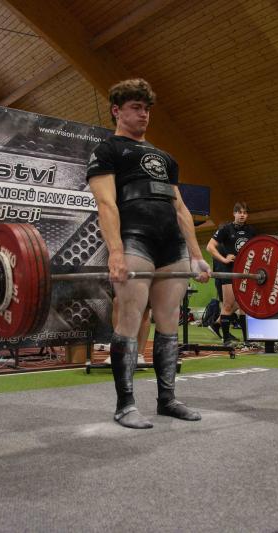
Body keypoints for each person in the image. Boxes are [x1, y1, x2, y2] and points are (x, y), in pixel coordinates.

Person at [87, 78, 210, 429]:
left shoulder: (166, 158)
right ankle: (125, 405)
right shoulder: (107, 151)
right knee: (129, 319)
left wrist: (197, 254)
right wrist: (115, 252)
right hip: (135, 240)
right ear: (117, 111)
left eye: (147, 109)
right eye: (136, 108)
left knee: (168, 322)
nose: (144, 114)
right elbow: (106, 204)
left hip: (171, 244)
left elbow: (181, 209)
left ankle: (167, 400)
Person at [206, 202, 257, 346]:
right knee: (228, 306)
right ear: (234, 213)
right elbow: (210, 247)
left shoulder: (251, 231)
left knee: (244, 306)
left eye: (245, 213)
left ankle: (248, 340)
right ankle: (226, 339)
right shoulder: (226, 229)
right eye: (239, 212)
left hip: (245, 272)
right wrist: (223, 259)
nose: (242, 215)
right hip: (228, 271)